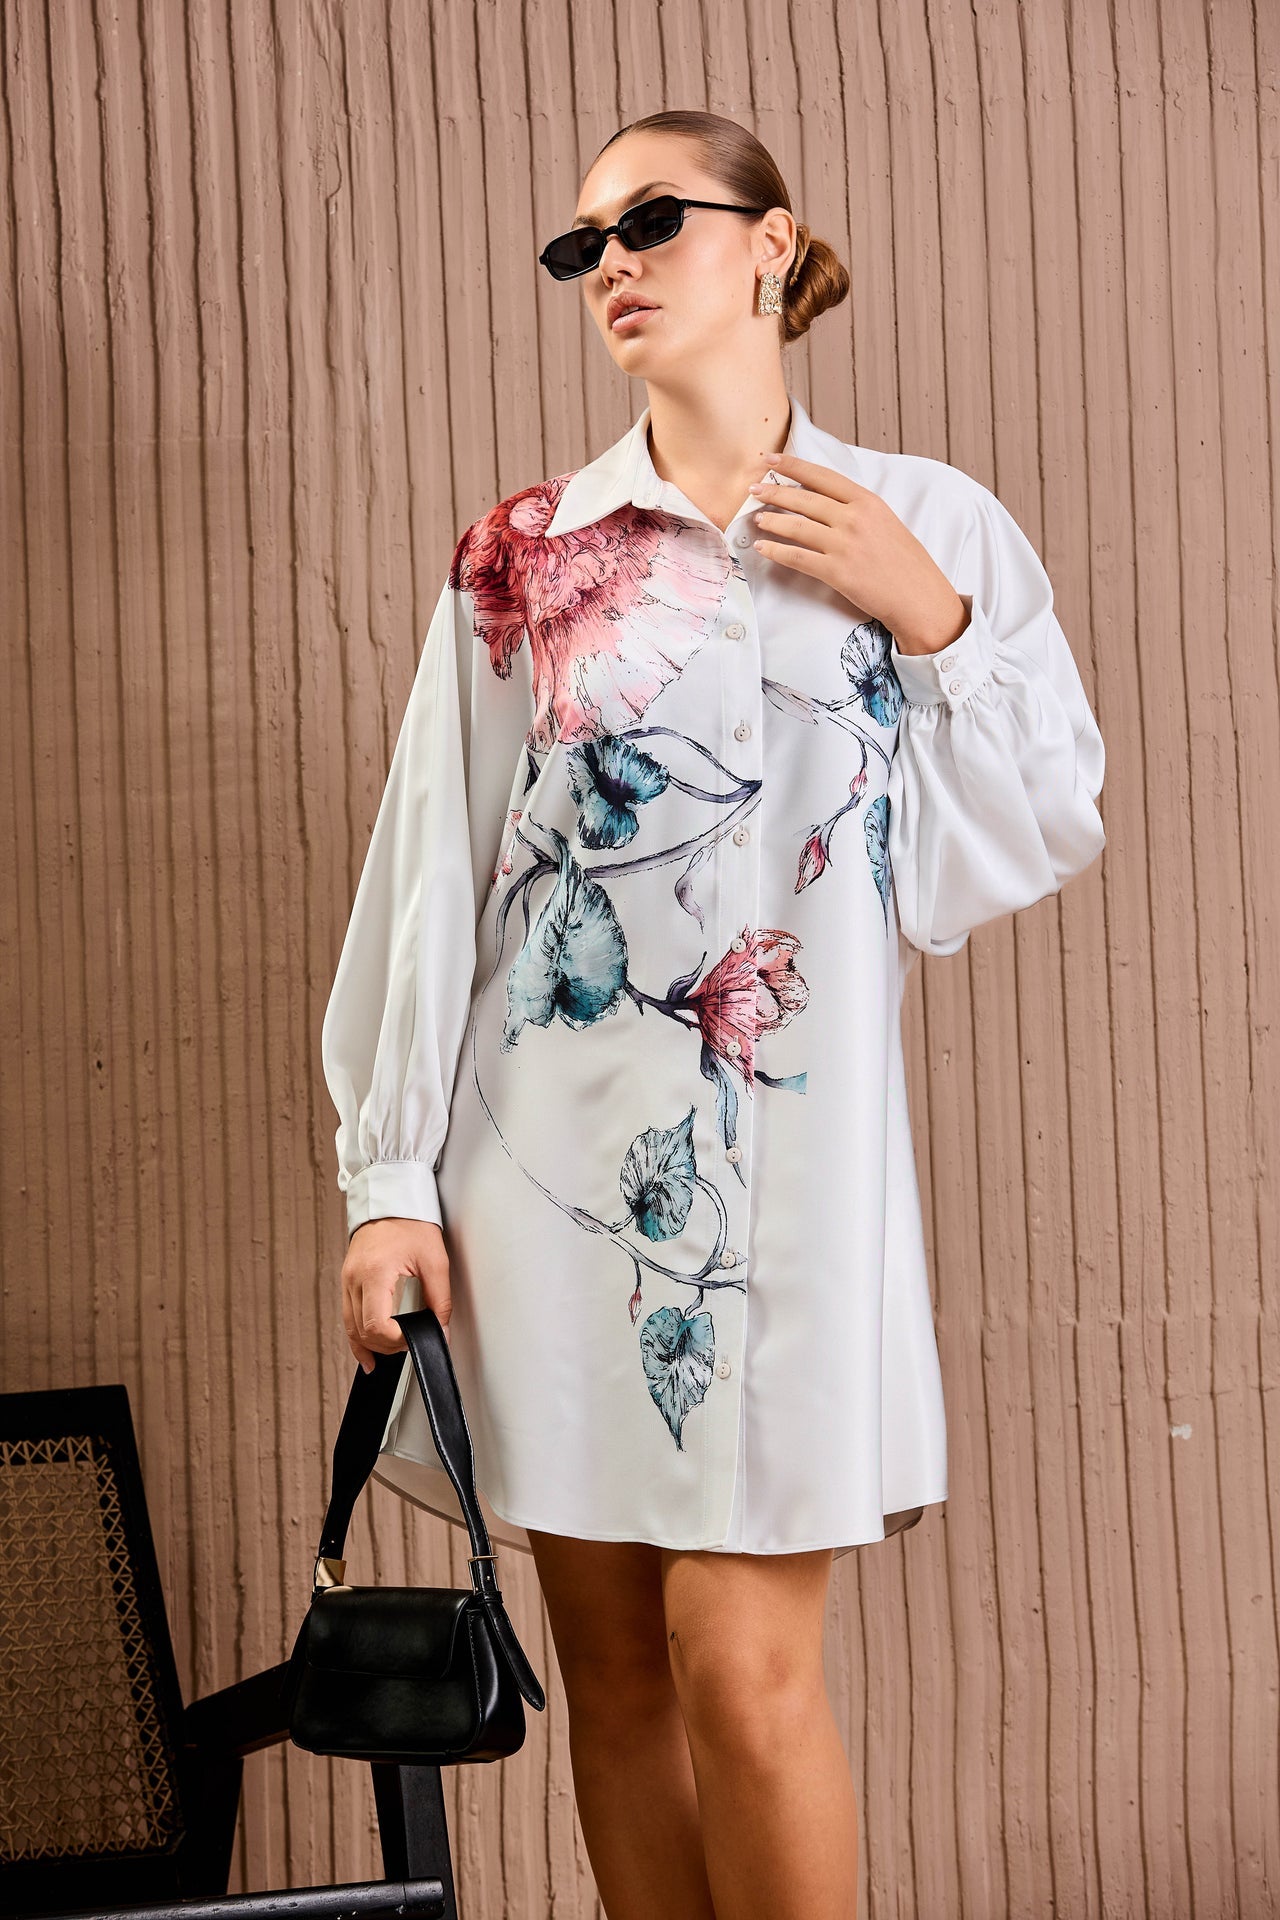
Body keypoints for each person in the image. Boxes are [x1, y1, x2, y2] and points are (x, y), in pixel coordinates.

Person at [321, 107, 1106, 1920]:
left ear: (773, 242)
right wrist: (388, 1182)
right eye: (584, 242)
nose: (612, 262)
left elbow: (1038, 817)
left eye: (655, 219)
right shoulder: (526, 552)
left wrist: (936, 620)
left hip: (798, 1190)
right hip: (542, 1185)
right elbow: (436, 868)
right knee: (618, 1677)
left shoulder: (926, 521)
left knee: (745, 1673)